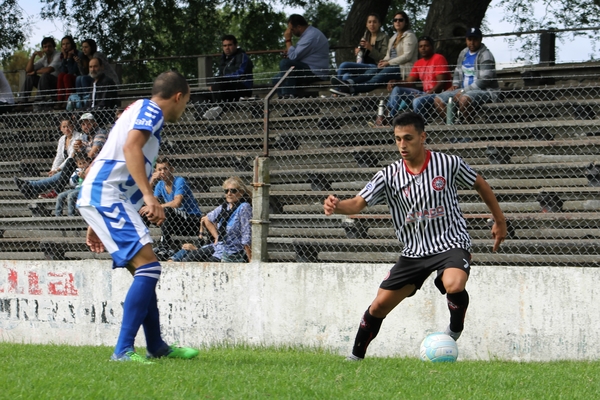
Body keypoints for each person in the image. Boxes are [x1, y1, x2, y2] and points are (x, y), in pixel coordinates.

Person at [322, 112, 507, 361]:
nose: (402, 145)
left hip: (450, 242)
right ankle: (354, 358)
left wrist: (499, 220)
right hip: (413, 252)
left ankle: (454, 328)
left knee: (454, 283)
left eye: (408, 138)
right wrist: (338, 206)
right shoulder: (388, 175)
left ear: (422, 137)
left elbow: (480, 184)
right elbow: (356, 204)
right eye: (397, 139)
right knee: (378, 306)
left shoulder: (448, 164)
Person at [77, 70, 198, 363]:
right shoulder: (152, 111)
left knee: (144, 271)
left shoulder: (135, 109)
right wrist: (149, 195)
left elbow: (105, 155)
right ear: (178, 97)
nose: (184, 110)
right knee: (150, 268)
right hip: (107, 196)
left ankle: (156, 346)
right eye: (186, 103)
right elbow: (130, 148)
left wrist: (94, 220)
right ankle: (122, 351)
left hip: (103, 196)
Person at [330, 12, 417, 96]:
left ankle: (349, 89)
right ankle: (347, 83)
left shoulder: (409, 36)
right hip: (390, 65)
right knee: (369, 72)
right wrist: (383, 62)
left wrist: (387, 62)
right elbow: (387, 55)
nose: (397, 22)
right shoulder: (393, 38)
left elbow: (407, 56)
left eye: (400, 20)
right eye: (395, 20)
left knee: (375, 78)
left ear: (405, 22)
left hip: (401, 67)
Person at [170, 177, 252, 263]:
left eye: (233, 191)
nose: (229, 193)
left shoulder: (244, 207)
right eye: (226, 191)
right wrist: (217, 237)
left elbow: (246, 235)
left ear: (241, 192)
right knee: (188, 258)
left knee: (206, 263)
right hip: (218, 247)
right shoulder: (225, 206)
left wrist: (250, 258)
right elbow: (206, 218)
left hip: (232, 251)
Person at [433, 28, 500, 124]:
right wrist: (455, 84)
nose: (472, 42)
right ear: (466, 40)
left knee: (464, 99)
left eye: (475, 39)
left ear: (480, 39)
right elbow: (458, 70)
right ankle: (455, 126)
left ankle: (469, 129)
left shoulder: (486, 55)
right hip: (462, 89)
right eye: (469, 39)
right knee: (438, 99)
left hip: (485, 91)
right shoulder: (463, 53)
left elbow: (485, 80)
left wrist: (463, 91)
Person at [380, 36, 451, 124]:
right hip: (425, 94)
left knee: (417, 100)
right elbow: (409, 82)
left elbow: (441, 84)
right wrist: (395, 82)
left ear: (432, 47)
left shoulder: (438, 58)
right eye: (420, 46)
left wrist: (425, 95)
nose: (423, 48)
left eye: (426, 46)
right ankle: (389, 118)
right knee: (397, 89)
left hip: (438, 95)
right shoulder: (418, 63)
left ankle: (419, 126)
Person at [145, 156, 203, 259]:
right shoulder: (159, 184)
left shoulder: (179, 181)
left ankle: (165, 247)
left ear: (171, 169)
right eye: (160, 169)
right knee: (144, 211)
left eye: (165, 169)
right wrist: (152, 181)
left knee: (166, 210)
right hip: (174, 221)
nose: (163, 172)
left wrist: (158, 207)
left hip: (191, 220)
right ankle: (141, 245)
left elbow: (177, 203)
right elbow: (149, 201)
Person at [14, 117, 85, 199]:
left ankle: (30, 185)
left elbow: (71, 157)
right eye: (64, 127)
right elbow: (59, 156)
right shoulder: (62, 139)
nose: (66, 129)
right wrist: (53, 169)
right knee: (58, 175)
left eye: (68, 126)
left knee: (61, 173)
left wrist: (57, 169)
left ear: (73, 126)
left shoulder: (78, 137)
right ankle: (31, 188)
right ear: (60, 128)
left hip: (77, 165)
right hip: (65, 168)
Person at [272, 14, 329, 98]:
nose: (291, 32)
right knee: (277, 79)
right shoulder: (308, 34)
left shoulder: (310, 36)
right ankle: (292, 108)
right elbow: (295, 54)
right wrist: (289, 54)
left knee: (284, 63)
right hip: (309, 68)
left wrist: (288, 40)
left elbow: (293, 57)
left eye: (292, 29)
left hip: (315, 72)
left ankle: (288, 97)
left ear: (299, 27)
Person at [335, 13, 389, 82]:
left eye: (374, 22)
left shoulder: (384, 37)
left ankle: (336, 90)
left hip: (375, 66)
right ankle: (343, 92)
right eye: (369, 22)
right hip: (362, 65)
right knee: (346, 76)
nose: (372, 24)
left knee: (344, 65)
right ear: (366, 24)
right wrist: (358, 50)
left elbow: (384, 58)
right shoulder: (366, 35)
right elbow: (360, 52)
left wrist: (370, 48)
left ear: (379, 24)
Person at [209, 35, 253, 103]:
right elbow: (220, 75)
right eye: (225, 46)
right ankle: (203, 113)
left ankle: (218, 109)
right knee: (197, 94)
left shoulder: (242, 57)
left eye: (230, 45)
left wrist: (221, 80)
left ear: (235, 45)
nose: (227, 48)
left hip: (241, 89)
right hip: (225, 88)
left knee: (217, 82)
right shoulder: (223, 59)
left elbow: (239, 74)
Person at [19, 37, 61, 104]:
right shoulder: (44, 58)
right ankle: (22, 102)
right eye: (45, 47)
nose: (47, 49)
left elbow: (49, 70)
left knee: (45, 75)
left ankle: (39, 102)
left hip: (57, 84)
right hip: (46, 84)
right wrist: (33, 55)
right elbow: (28, 70)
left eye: (49, 46)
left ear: (54, 47)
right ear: (43, 49)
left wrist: (35, 72)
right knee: (30, 77)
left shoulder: (58, 55)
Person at [55, 152, 91, 216]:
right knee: (60, 196)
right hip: (76, 188)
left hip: (85, 189)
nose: (82, 165)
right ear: (77, 164)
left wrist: (85, 177)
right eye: (80, 164)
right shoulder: (77, 171)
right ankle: (58, 215)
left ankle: (71, 215)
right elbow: (72, 183)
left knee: (71, 195)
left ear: (88, 161)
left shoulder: (90, 170)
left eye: (84, 163)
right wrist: (77, 177)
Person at [56, 35, 82, 105]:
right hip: (66, 79)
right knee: (61, 75)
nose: (65, 46)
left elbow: (72, 71)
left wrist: (70, 58)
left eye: (67, 44)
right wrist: (65, 58)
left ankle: (68, 100)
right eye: (63, 44)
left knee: (66, 76)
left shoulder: (78, 54)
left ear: (72, 44)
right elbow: (62, 71)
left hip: (77, 78)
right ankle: (60, 100)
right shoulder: (62, 55)